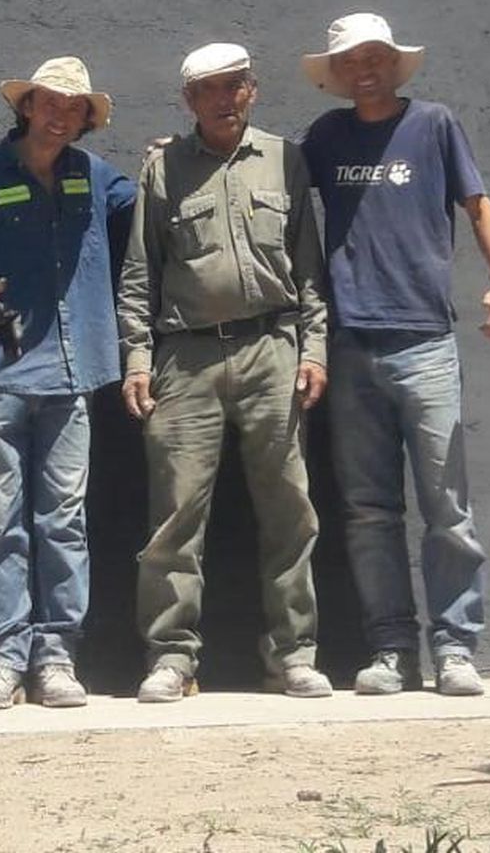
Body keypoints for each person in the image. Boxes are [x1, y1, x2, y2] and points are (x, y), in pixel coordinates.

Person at [300, 12, 490, 698]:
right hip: (350, 342)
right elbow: (270, 186)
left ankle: (455, 648)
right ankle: (391, 649)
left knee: (447, 506)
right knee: (368, 511)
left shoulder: (435, 124)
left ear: (394, 64)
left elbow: (479, 207)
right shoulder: (326, 137)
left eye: (376, 56)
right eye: (351, 61)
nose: (365, 68)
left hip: (424, 341)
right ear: (335, 75)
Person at [118, 41, 331, 702]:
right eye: (208, 88)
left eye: (235, 84)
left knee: (289, 510)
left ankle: (293, 656)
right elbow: (137, 272)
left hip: (272, 349)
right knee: (175, 515)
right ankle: (172, 658)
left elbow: (310, 267)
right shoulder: (163, 169)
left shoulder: (286, 159)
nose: (223, 97)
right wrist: (137, 357)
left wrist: (315, 348)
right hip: (185, 356)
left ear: (253, 89)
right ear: (189, 101)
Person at [0, 56, 135, 710]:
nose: (59, 114)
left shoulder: (98, 180)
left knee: (63, 522)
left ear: (85, 119)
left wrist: (171, 159)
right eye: (49, 101)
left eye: (74, 107)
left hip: (74, 379)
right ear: (26, 106)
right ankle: (1, 658)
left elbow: (157, 206)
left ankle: (56, 658)